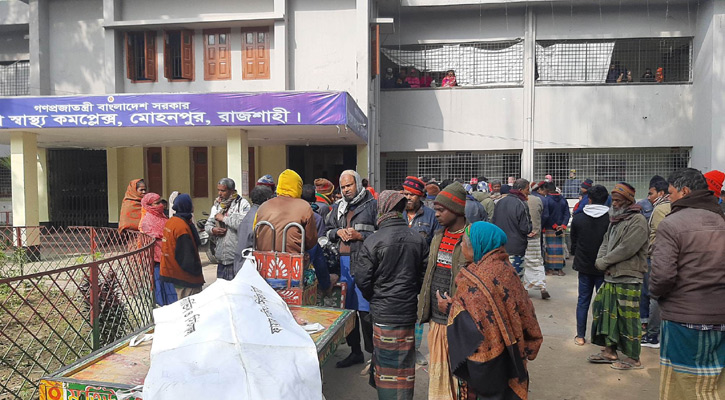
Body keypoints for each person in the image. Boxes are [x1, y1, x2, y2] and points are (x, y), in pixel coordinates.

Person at [650, 168, 725, 400]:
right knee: (715, 383)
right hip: (721, 318)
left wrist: (654, 294)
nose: (669, 198)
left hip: (683, 320)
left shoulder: (671, 224)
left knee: (681, 385)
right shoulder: (721, 220)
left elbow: (662, 277)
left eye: (671, 192)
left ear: (684, 191)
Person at [447, 222, 543, 400]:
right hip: (512, 355)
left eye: (463, 242)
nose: (460, 246)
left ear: (477, 245)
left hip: (485, 364)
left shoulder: (472, 282)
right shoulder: (507, 269)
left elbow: (468, 321)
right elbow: (526, 311)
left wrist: (449, 307)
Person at [354, 191, 429, 400]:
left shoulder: (373, 240)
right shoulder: (418, 239)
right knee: (404, 366)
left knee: (385, 365)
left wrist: (375, 297)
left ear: (382, 209)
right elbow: (423, 277)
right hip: (406, 312)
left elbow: (362, 279)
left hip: (383, 313)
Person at [588, 182, 648, 370]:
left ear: (628, 201)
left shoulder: (637, 220)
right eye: (613, 200)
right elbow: (605, 242)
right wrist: (600, 259)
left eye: (618, 200)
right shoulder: (615, 219)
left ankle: (633, 357)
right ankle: (609, 351)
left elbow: (627, 248)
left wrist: (604, 262)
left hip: (629, 277)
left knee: (627, 319)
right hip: (610, 276)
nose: (614, 203)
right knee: (605, 313)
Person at [417, 182, 469, 400]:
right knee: (438, 369)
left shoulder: (471, 237)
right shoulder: (438, 236)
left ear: (456, 209)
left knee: (459, 371)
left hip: (459, 318)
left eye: (441, 210)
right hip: (437, 317)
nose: (436, 215)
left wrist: (455, 304)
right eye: (435, 210)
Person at [325, 170, 378, 368]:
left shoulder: (372, 205)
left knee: (366, 311)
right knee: (348, 311)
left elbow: (381, 233)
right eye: (343, 187)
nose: (346, 190)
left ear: (358, 184)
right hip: (343, 265)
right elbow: (326, 231)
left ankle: (373, 355)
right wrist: (337, 232)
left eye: (350, 185)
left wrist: (360, 236)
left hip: (364, 263)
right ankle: (355, 352)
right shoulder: (337, 207)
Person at [254, 170, 330, 291]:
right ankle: (326, 286)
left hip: (264, 267)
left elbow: (255, 234)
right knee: (317, 249)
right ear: (297, 187)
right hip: (292, 267)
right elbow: (311, 241)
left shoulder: (263, 206)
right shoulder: (304, 206)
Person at [401, 176, 440, 366]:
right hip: (398, 271)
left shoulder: (431, 216)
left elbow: (436, 244)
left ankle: (414, 350)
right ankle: (399, 349)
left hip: (420, 272)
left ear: (420, 196)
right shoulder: (396, 212)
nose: (408, 197)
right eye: (405, 193)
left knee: (418, 312)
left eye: (412, 195)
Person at [570, 185, 610, 346]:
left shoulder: (579, 218)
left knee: (583, 300)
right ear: (606, 199)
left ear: (590, 199)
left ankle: (580, 335)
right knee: (603, 302)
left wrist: (576, 254)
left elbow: (574, 241)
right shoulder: (611, 219)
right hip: (604, 266)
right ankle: (600, 335)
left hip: (584, 265)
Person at [638, 176, 670, 348]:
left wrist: (650, 255)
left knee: (654, 296)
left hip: (657, 259)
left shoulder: (660, 209)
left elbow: (657, 237)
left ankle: (652, 336)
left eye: (651, 193)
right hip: (667, 258)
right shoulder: (669, 207)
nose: (649, 197)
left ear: (661, 193)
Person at [205, 178, 250, 280]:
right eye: (218, 190)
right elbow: (208, 225)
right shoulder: (217, 205)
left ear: (232, 191)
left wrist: (224, 219)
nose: (220, 193)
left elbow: (243, 226)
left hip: (236, 259)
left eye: (223, 191)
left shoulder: (242, 204)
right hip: (221, 259)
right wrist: (213, 230)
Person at [160, 194, 204, 300]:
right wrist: (196, 274)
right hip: (185, 277)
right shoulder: (181, 227)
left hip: (174, 273)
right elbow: (186, 257)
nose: (193, 206)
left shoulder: (172, 221)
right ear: (186, 206)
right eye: (191, 203)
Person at [140, 192, 177, 306]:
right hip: (157, 260)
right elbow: (149, 239)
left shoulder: (162, 217)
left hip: (169, 257)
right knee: (160, 287)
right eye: (157, 203)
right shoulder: (147, 221)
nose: (160, 205)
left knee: (171, 288)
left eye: (161, 202)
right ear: (149, 205)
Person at [491, 179, 532, 276]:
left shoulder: (499, 202)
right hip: (516, 248)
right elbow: (525, 228)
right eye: (527, 189)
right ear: (521, 190)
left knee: (502, 278)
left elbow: (493, 222)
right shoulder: (521, 204)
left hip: (499, 247)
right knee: (516, 280)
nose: (528, 192)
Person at [233, 185, 274, 269]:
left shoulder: (250, 214)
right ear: (267, 200)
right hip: (249, 264)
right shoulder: (258, 216)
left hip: (241, 262)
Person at [524, 180, 550, 299]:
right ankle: (542, 286)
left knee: (525, 262)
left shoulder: (520, 201)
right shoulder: (539, 200)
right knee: (537, 261)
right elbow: (544, 216)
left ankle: (525, 288)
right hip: (536, 235)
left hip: (524, 236)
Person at [543, 182, 570, 276]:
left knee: (549, 248)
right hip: (561, 228)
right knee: (560, 249)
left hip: (550, 228)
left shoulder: (547, 200)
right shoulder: (563, 199)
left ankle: (549, 269)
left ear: (547, 190)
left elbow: (547, 215)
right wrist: (563, 225)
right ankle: (559, 269)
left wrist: (554, 225)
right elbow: (567, 214)